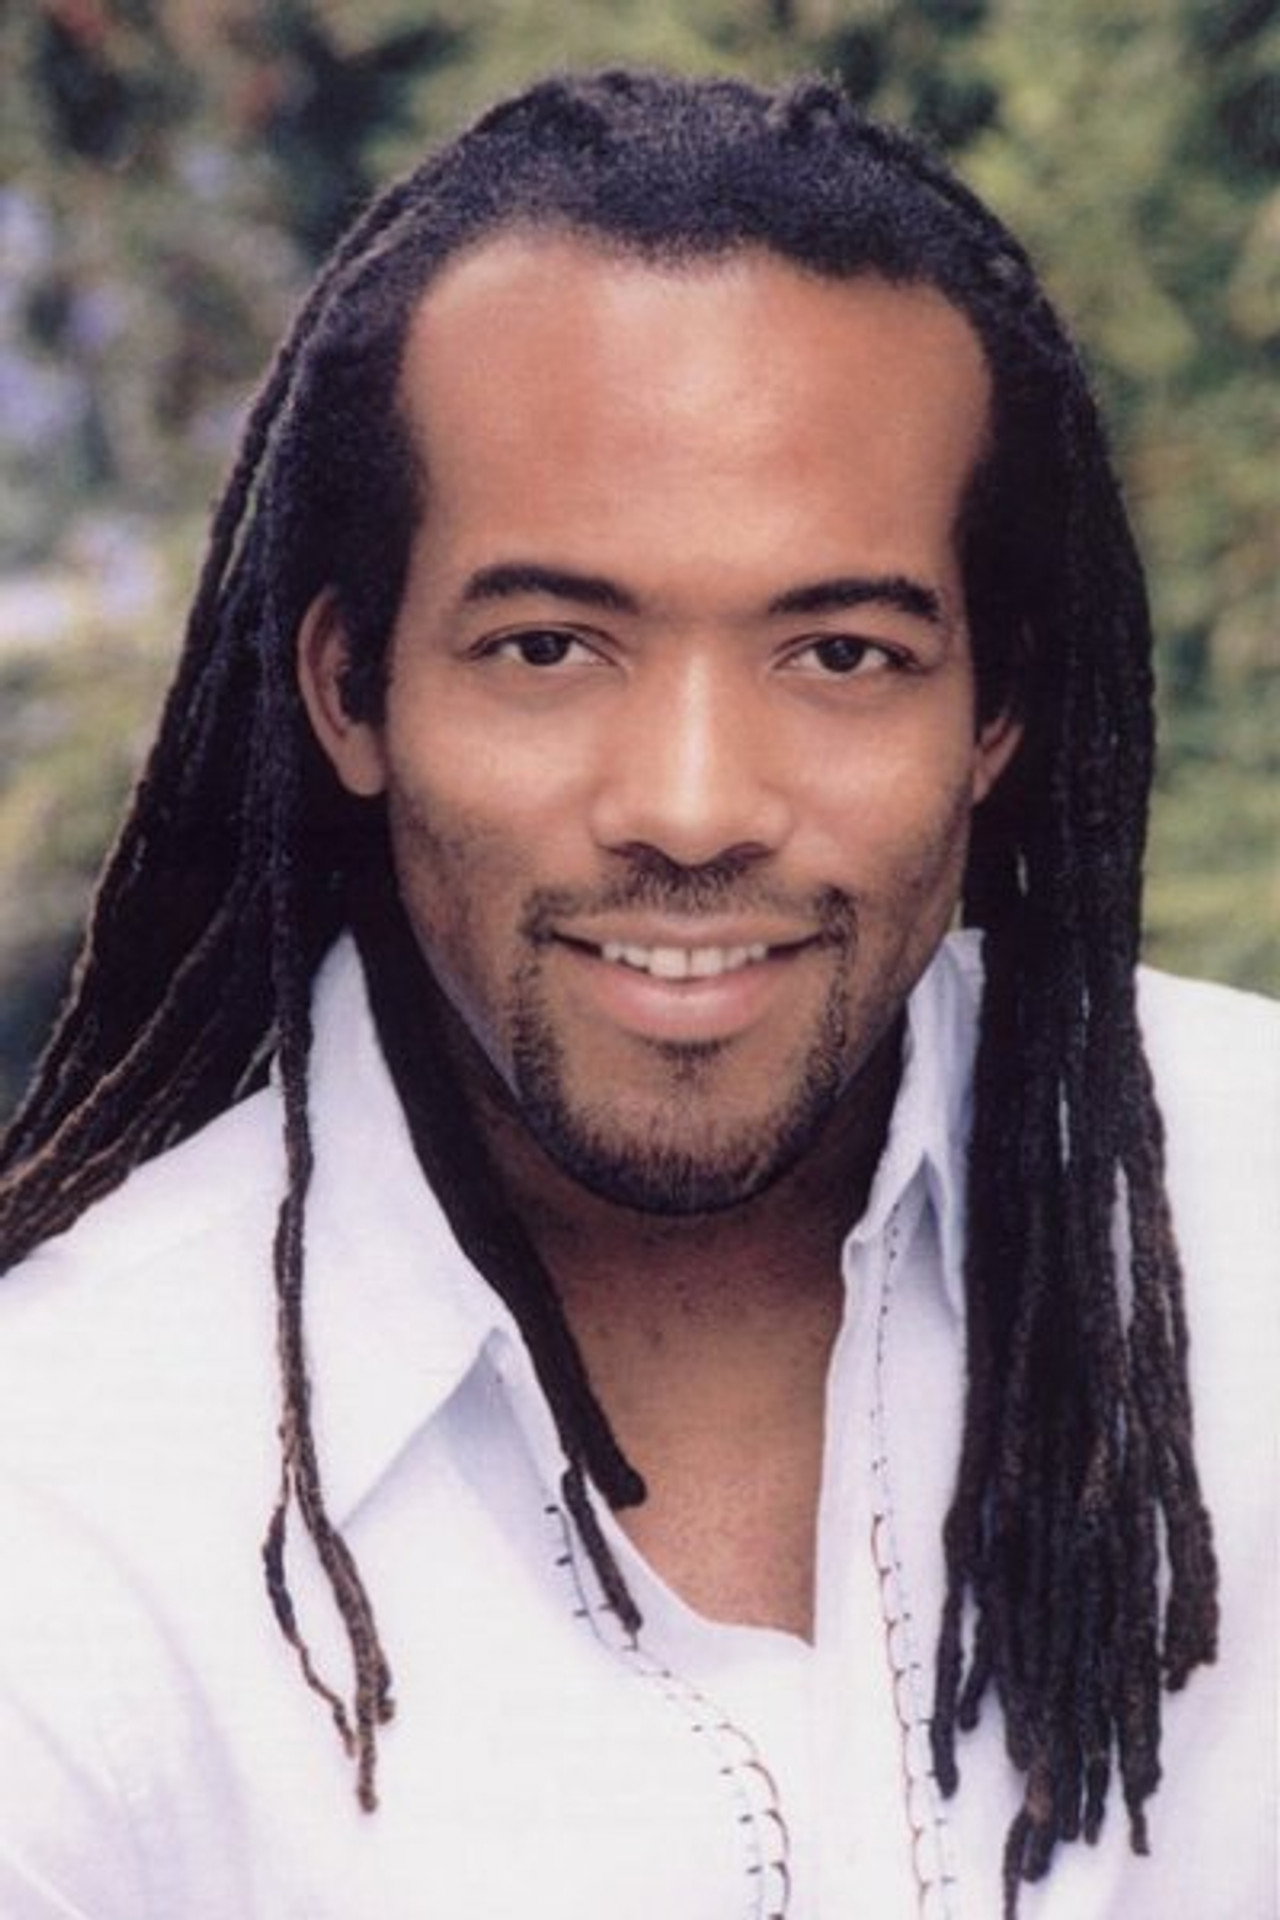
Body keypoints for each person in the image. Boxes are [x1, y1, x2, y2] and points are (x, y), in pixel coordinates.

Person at [0, 67, 1274, 1920]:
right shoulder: (64, 1489)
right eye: (548, 647)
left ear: (992, 713)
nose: (690, 804)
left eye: (842, 653)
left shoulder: (1254, 1212)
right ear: (351, 693)